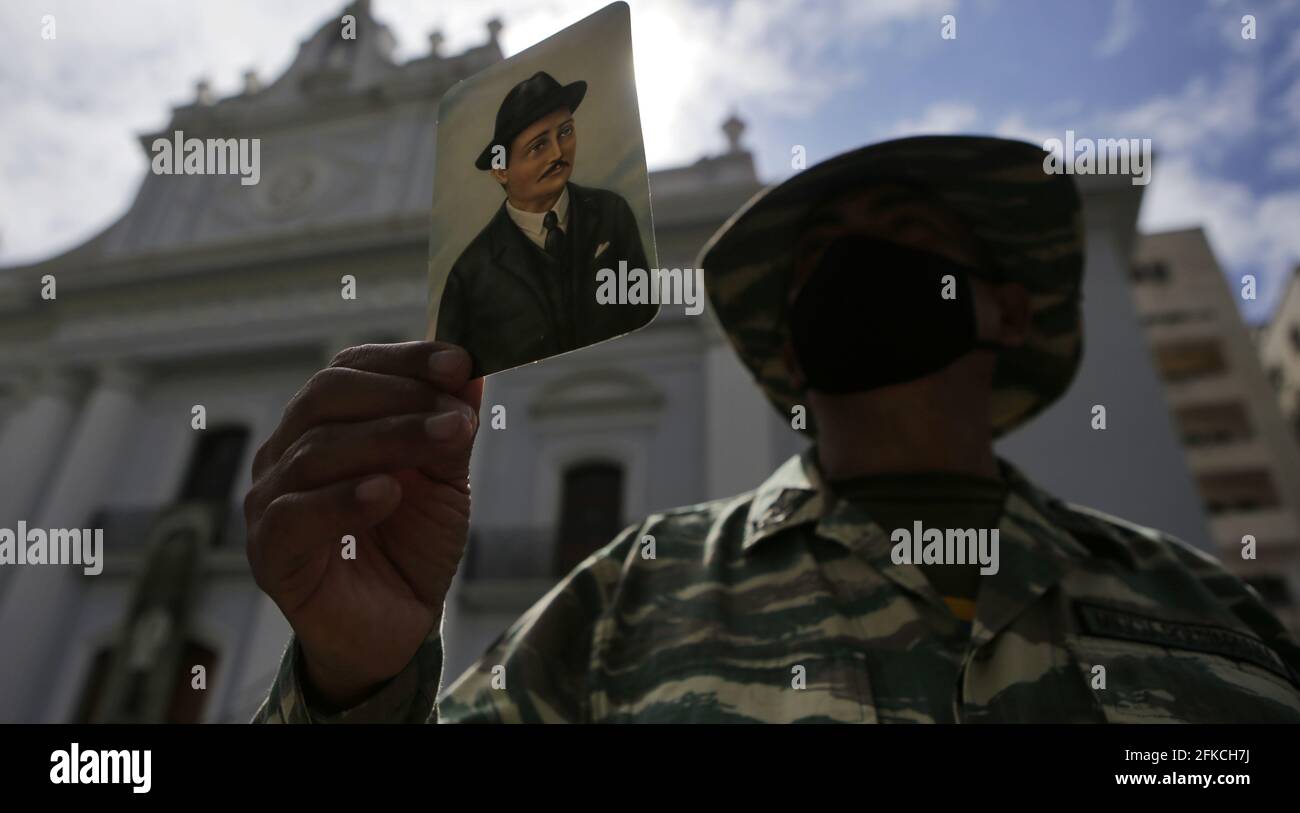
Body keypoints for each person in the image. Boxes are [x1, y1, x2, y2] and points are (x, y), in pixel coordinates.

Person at [249, 135, 1300, 723]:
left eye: (904, 240)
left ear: (1007, 307)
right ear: (786, 346)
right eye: (815, 268)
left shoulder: (1202, 607)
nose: (855, 273)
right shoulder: (630, 596)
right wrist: (353, 684)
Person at [434, 70, 654, 377]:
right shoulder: (470, 273)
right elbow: (452, 375)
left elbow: (641, 313)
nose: (557, 152)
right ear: (500, 170)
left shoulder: (611, 213)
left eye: (565, 132)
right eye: (538, 146)